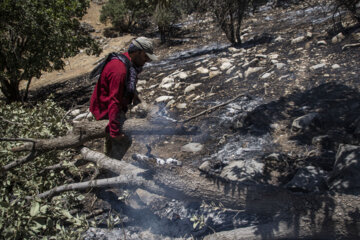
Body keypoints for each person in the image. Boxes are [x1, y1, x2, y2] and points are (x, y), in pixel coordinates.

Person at [89, 36, 158, 159]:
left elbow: (127, 86)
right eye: (145, 57)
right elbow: (114, 100)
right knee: (124, 140)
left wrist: (135, 97)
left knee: (113, 141)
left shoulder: (129, 61)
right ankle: (109, 168)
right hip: (104, 108)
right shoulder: (119, 70)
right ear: (137, 52)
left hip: (110, 104)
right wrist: (115, 132)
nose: (147, 60)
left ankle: (108, 157)